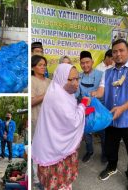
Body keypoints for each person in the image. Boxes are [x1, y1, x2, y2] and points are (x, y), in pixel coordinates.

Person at [91, 39, 128, 190]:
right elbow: (101, 90)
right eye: (115, 51)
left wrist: (122, 108)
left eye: (121, 50)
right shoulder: (107, 72)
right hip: (111, 118)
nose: (118, 54)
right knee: (111, 147)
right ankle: (111, 167)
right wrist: (94, 94)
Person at [32, 64, 91, 189]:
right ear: (62, 79)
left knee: (64, 182)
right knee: (57, 183)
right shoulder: (57, 96)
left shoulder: (64, 92)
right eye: (72, 79)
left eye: (77, 78)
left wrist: (82, 109)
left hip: (58, 146)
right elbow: (73, 121)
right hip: (55, 150)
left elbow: (67, 114)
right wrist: (83, 105)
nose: (76, 83)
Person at [76, 51, 106, 163]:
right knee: (87, 132)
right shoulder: (78, 76)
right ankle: (89, 151)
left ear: (92, 62)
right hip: (85, 110)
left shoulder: (101, 74)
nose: (85, 65)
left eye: (87, 62)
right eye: (82, 63)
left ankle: (104, 153)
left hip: (99, 109)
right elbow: (76, 93)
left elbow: (103, 91)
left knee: (103, 132)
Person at [31, 55, 51, 187]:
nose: (43, 67)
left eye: (44, 65)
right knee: (36, 150)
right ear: (33, 67)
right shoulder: (32, 81)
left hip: (49, 122)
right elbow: (31, 101)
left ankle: (47, 176)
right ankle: (37, 179)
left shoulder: (49, 81)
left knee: (48, 149)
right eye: (40, 65)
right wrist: (47, 94)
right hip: (36, 119)